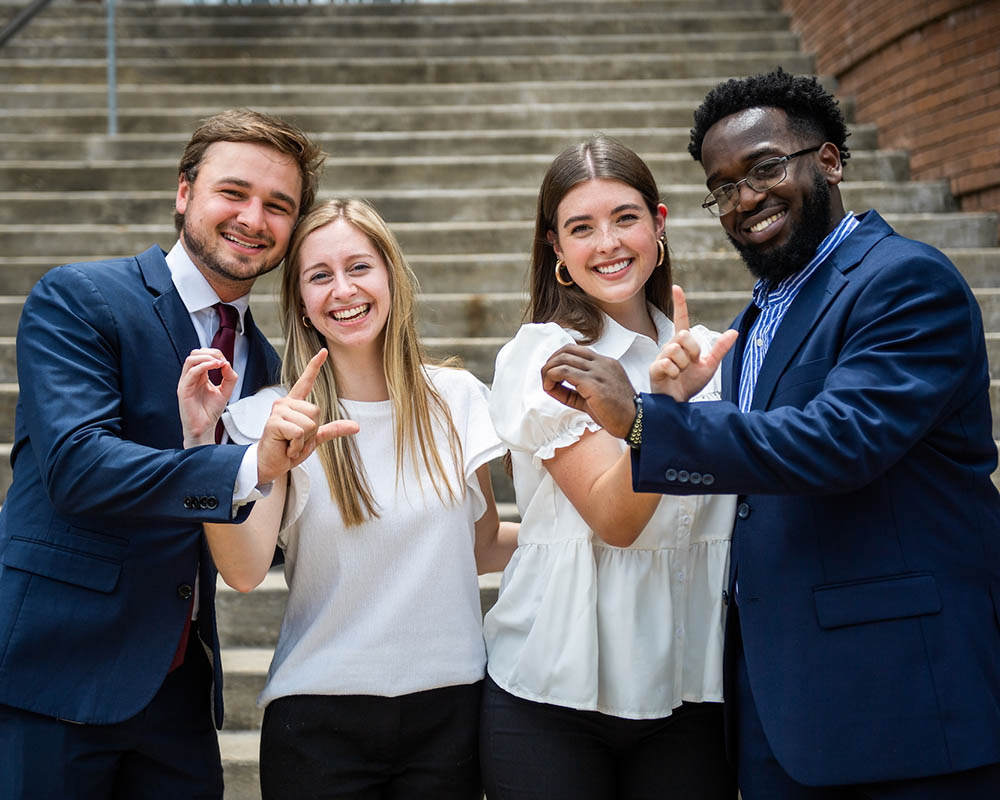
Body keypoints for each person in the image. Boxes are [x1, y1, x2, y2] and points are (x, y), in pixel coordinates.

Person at [540, 70, 1000, 799]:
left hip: (901, 713)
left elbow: (839, 441)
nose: (745, 198)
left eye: (763, 168)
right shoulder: (754, 319)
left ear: (830, 160)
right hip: (781, 719)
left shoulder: (905, 281)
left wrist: (646, 420)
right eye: (722, 187)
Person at [0, 108, 324, 799]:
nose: (252, 218)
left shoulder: (268, 362)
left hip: (177, 692)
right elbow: (77, 467)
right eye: (232, 193)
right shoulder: (81, 299)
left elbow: (245, 536)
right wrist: (246, 467)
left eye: (278, 206)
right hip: (55, 675)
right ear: (185, 193)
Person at [177, 198, 519, 800]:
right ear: (303, 303)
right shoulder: (273, 417)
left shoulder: (458, 399)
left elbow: (482, 544)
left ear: (390, 275)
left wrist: (594, 533)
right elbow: (244, 569)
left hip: (452, 711)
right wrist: (204, 445)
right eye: (319, 275)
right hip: (318, 722)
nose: (343, 289)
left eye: (359, 267)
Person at [479, 136, 738, 800]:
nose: (608, 243)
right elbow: (613, 517)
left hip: (690, 687)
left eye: (625, 218)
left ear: (659, 223)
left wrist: (671, 400)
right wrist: (665, 414)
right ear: (555, 250)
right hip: (553, 693)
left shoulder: (712, 356)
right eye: (580, 228)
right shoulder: (545, 357)